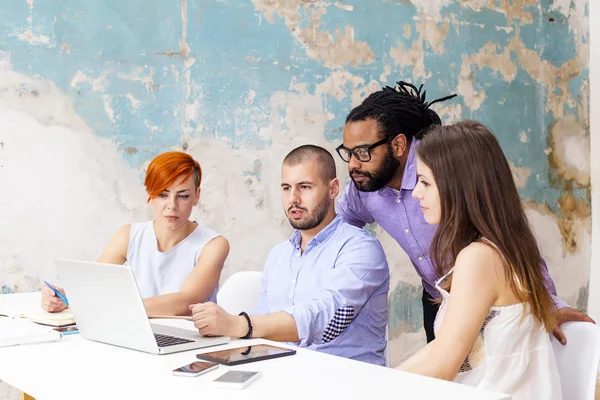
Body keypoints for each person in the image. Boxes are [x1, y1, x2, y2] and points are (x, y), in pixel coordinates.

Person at [335, 80, 593, 344]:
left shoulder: (440, 165)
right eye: (348, 153)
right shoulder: (365, 185)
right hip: (439, 298)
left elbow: (505, 229)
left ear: (399, 146)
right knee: (448, 376)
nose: (353, 164)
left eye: (363, 152)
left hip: (492, 296)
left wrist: (547, 302)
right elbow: (338, 228)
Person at [397, 121, 562, 399]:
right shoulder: (503, 246)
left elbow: (441, 371)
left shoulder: (479, 257)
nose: (416, 193)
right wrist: (383, 379)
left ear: (458, 187)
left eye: (425, 182)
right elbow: (440, 348)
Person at [189, 145, 390, 365]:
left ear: (333, 189)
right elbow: (261, 335)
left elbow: (326, 317)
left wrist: (239, 325)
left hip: (346, 382)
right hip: (283, 377)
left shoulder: (361, 249)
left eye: (304, 187)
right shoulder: (279, 255)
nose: (293, 198)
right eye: (286, 188)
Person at [41, 151, 229, 316]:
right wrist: (62, 296)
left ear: (196, 196)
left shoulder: (213, 245)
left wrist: (118, 308)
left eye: (183, 196)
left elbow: (185, 302)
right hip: (139, 332)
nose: (172, 205)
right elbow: (93, 284)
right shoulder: (129, 235)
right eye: (163, 195)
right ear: (150, 193)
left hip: (192, 338)